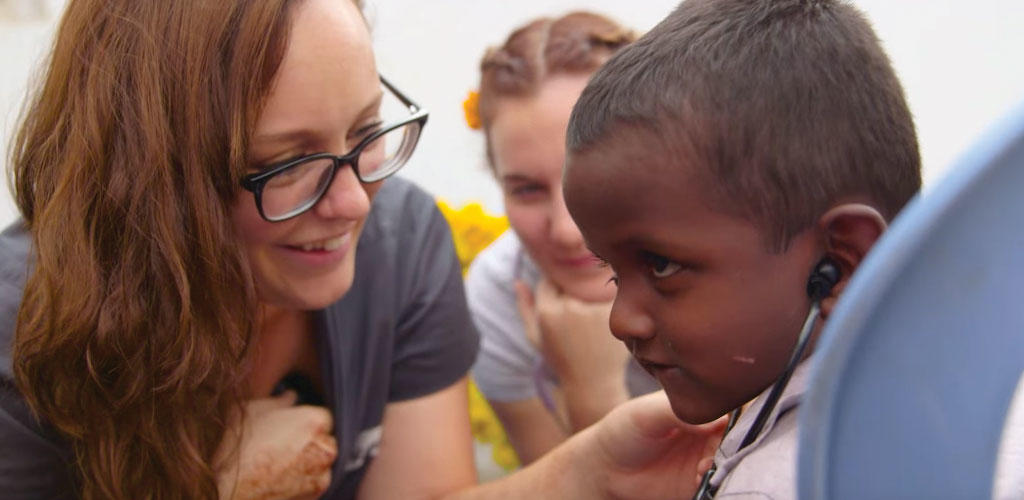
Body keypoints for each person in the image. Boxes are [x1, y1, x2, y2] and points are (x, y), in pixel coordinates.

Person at [0, 0, 724, 499]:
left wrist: (593, 467)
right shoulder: (22, 326)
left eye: (365, 134)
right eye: (288, 164)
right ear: (150, 179)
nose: (353, 205)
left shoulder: (402, 242)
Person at [562, 0, 921, 497]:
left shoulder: (781, 481)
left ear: (840, 263)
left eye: (662, 266)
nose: (621, 321)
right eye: (614, 274)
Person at [465, 11, 658, 464]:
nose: (568, 232)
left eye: (593, 177)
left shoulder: (744, 253)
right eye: (527, 189)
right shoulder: (499, 301)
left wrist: (593, 391)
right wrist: (591, 390)